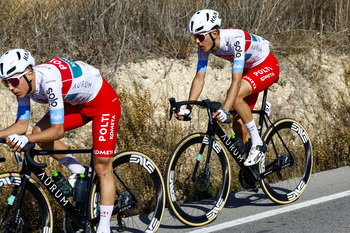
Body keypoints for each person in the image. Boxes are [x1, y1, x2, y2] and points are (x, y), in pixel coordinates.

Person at [0, 48, 120, 233]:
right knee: (38, 132)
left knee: (102, 167)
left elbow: (57, 131)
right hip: (76, 104)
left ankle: (104, 227)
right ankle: (79, 171)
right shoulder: (23, 87)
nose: (10, 87)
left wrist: (26, 139)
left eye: (13, 81)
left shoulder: (50, 80)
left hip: (102, 102)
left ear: (29, 74)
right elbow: (21, 126)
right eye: (5, 82)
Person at [175, 9, 279, 166]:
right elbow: (199, 78)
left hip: (266, 65)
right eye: (194, 37)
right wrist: (188, 108)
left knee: (236, 98)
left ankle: (258, 143)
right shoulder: (205, 45)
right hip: (248, 69)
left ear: (214, 33)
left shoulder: (235, 39)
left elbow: (236, 82)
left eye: (200, 36)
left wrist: (224, 109)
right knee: (238, 124)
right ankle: (253, 172)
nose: (197, 41)